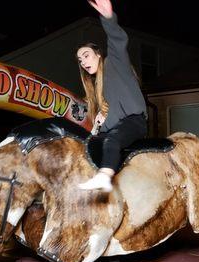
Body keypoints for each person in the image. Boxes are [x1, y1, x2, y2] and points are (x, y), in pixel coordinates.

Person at [77, 0, 147, 192]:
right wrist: (99, 124)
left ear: (98, 55)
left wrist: (108, 18)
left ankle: (104, 177)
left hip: (134, 122)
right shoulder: (97, 87)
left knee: (111, 140)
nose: (83, 61)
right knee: (90, 145)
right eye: (80, 59)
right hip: (116, 127)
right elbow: (107, 122)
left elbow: (117, 40)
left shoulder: (114, 63)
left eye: (86, 55)